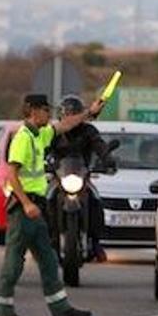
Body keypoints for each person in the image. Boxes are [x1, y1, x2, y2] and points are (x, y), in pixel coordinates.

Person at [0, 93, 100, 316]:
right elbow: (12, 173)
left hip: (35, 208)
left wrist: (89, 113)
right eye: (45, 109)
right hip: (24, 209)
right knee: (14, 261)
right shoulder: (23, 137)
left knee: (49, 259)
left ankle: (61, 309)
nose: (48, 113)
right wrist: (26, 203)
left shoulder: (38, 135)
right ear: (32, 111)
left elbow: (64, 125)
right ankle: (3, 310)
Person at [49, 94, 116, 262]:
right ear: (61, 115)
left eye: (74, 113)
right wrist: (42, 163)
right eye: (67, 114)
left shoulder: (89, 131)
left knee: (96, 200)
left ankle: (96, 242)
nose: (70, 117)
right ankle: (50, 240)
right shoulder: (55, 132)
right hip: (59, 176)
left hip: (82, 176)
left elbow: (99, 146)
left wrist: (107, 160)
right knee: (48, 199)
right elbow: (42, 149)